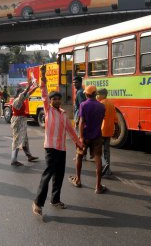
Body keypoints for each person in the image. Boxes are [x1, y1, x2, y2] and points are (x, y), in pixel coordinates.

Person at [32, 65, 83, 216]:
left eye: (58, 99)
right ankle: (37, 203)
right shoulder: (48, 110)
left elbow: (71, 131)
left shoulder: (63, 114)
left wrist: (79, 144)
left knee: (59, 176)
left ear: (61, 100)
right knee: (47, 175)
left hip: (62, 149)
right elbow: (43, 91)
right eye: (54, 98)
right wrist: (43, 76)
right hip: (50, 148)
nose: (56, 100)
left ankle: (55, 200)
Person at [68, 85, 107, 194]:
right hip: (97, 136)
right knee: (98, 159)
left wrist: (80, 137)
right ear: (95, 94)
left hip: (85, 136)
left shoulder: (83, 105)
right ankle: (98, 186)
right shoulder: (102, 106)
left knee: (79, 157)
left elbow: (81, 122)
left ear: (86, 94)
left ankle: (78, 180)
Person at [10, 83, 39, 166]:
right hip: (17, 120)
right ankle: (13, 160)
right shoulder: (17, 101)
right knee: (16, 140)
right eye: (22, 93)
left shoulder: (21, 99)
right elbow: (24, 94)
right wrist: (28, 87)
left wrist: (35, 88)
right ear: (19, 94)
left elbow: (29, 93)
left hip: (21, 120)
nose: (25, 94)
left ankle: (29, 155)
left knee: (25, 139)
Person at [97, 88, 118, 176]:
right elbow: (115, 118)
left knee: (99, 150)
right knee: (107, 150)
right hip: (109, 130)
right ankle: (108, 169)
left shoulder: (101, 104)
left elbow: (98, 118)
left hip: (101, 130)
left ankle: (103, 167)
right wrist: (116, 129)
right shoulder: (111, 104)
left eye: (98, 94)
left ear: (102, 95)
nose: (97, 96)